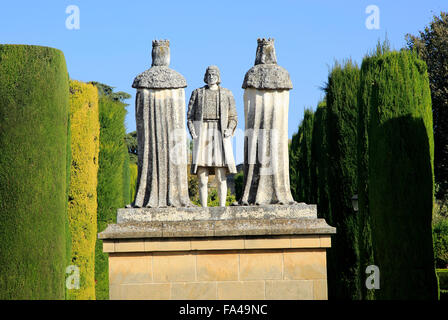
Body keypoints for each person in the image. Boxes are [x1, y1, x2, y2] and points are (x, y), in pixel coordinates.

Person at [187, 65, 237, 207]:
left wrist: (229, 129)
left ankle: (222, 208)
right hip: (202, 134)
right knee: (202, 177)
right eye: (209, 74)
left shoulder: (227, 93)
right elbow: (190, 116)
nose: (211, 77)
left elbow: (233, 116)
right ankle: (204, 208)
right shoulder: (197, 93)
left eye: (214, 74)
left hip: (220, 134)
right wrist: (193, 131)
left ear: (218, 77)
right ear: (205, 76)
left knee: (221, 176)